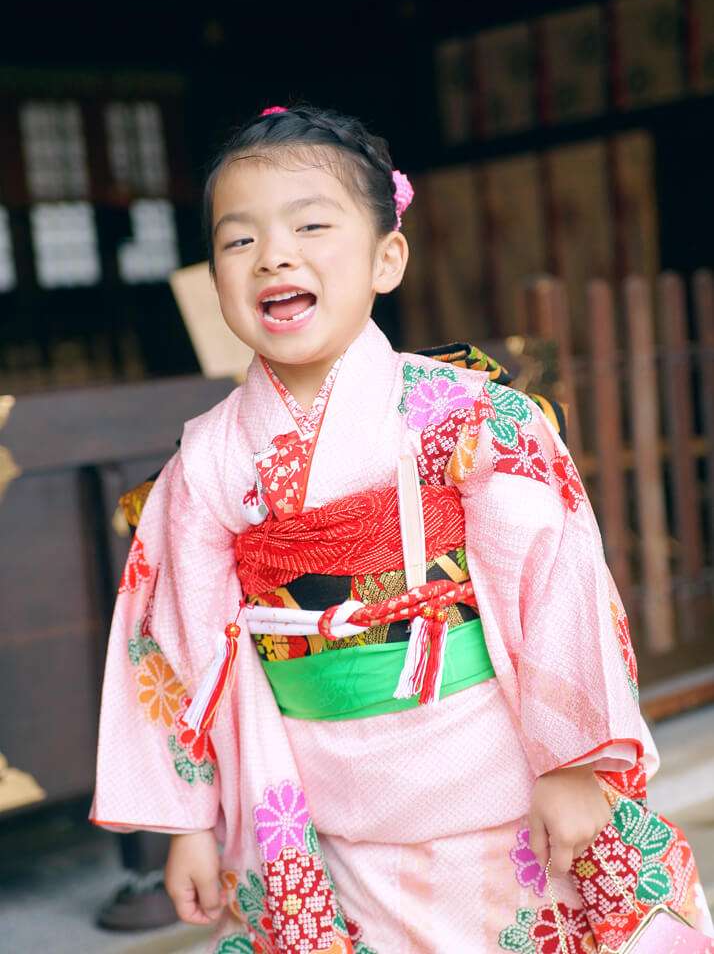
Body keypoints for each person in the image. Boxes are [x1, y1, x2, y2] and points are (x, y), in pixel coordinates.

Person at [91, 104, 713, 953]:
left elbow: (556, 578)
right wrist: (190, 821)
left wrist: (575, 764)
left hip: (494, 778)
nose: (274, 253)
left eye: (311, 224)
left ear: (389, 258)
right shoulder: (205, 462)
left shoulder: (469, 416)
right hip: (319, 802)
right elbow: (172, 647)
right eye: (239, 241)